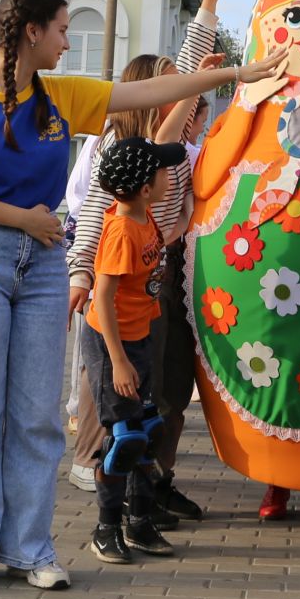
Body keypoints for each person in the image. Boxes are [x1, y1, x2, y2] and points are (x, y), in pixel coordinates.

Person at [0, 0, 284, 594]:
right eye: (62, 29)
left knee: (36, 417)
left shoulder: (61, 96)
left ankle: (30, 546)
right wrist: (28, 220)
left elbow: (154, 90)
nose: (68, 42)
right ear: (31, 31)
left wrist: (242, 73)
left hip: (40, 264)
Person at [79, 136, 194, 564]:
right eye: (164, 171)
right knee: (124, 440)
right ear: (146, 187)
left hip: (137, 338)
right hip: (113, 344)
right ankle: (106, 528)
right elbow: (103, 298)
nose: (171, 176)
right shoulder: (123, 230)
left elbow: (160, 253)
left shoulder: (145, 218)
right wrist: (120, 362)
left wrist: (190, 214)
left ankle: (140, 523)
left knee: (150, 431)